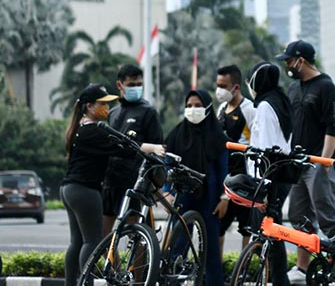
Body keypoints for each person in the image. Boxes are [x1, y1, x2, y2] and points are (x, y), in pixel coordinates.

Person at [61, 84, 164, 286]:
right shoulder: (94, 130)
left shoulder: (80, 128)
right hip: (85, 192)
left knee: (77, 242)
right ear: (89, 106)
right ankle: (86, 283)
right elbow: (123, 147)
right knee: (91, 241)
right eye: (102, 104)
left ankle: (71, 283)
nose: (107, 108)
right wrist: (151, 148)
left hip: (68, 189)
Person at [276, 40, 335, 284]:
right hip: (298, 162)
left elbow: (334, 125)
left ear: (300, 60)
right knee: (299, 215)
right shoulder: (294, 89)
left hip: (319, 161)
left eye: (288, 60)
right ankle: (302, 269)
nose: (287, 65)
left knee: (326, 215)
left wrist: (325, 161)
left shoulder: (326, 87)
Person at [164, 89, 229, 286]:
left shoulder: (218, 137)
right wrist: (167, 191)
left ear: (208, 108)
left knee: (210, 250)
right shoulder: (177, 134)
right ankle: (173, 282)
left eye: (198, 106)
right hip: (183, 195)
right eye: (189, 106)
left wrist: (224, 198)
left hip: (210, 198)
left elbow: (225, 169)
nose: (193, 110)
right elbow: (168, 164)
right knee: (178, 246)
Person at [243, 61, 294, 286]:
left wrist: (262, 190)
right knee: (272, 233)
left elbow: (263, 151)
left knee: (266, 233)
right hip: (282, 173)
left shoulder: (264, 106)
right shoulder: (281, 100)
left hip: (269, 175)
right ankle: (278, 280)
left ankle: (278, 280)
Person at [102, 64, 164, 236]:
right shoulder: (113, 112)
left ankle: (141, 264)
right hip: (110, 182)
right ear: (119, 85)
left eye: (139, 84)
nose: (136, 88)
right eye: (131, 85)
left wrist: (156, 186)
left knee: (135, 235)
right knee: (104, 236)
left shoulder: (149, 112)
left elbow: (157, 149)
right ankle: (113, 265)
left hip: (135, 182)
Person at [215, 64, 255, 253]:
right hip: (225, 177)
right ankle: (219, 271)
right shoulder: (222, 108)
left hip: (244, 179)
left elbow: (257, 143)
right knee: (219, 226)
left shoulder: (249, 109)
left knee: (246, 228)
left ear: (236, 87)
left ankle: (243, 272)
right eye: (218, 85)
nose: (219, 90)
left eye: (224, 86)